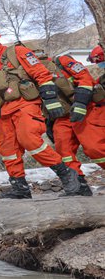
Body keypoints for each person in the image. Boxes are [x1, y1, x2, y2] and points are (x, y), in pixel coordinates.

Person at [0, 27, 80, 198]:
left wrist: (50, 99)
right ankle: (19, 187)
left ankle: (66, 174)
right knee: (7, 150)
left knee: (30, 139)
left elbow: (41, 74)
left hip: (24, 104)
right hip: (2, 111)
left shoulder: (16, 52)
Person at [48, 47, 104, 195]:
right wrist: (48, 122)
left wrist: (80, 103)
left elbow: (86, 79)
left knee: (95, 148)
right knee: (63, 149)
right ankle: (78, 185)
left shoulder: (64, 62)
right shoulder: (32, 76)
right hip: (62, 116)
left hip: (86, 108)